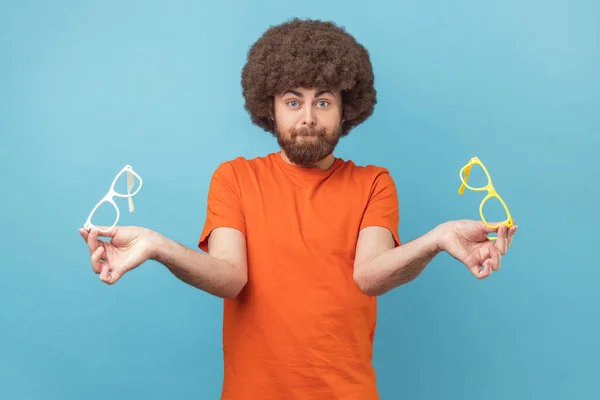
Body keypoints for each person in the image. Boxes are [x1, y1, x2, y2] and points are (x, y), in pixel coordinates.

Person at [79, 18, 517, 400]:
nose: (308, 117)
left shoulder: (373, 183)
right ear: (269, 109)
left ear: (347, 109)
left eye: (323, 101)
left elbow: (370, 275)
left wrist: (437, 240)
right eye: (293, 101)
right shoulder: (235, 178)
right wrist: (157, 246)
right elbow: (230, 278)